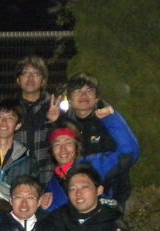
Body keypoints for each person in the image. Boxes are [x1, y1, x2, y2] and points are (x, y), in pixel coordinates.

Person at [54, 73, 139, 208]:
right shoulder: (63, 124)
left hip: (111, 195)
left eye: (89, 90)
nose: (84, 95)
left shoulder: (109, 120)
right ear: (69, 97)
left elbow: (129, 153)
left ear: (97, 97)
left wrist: (111, 118)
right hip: (74, 196)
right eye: (78, 91)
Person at [43, 106, 140, 213]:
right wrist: (43, 207)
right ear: (51, 149)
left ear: (76, 146)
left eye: (68, 143)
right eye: (57, 144)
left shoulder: (94, 165)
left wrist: (111, 119)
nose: (63, 149)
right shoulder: (52, 183)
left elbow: (128, 154)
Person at [12, 55, 60, 187]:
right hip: (17, 176)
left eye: (36, 74)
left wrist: (55, 122)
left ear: (43, 81)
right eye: (25, 73)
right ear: (18, 80)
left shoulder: (53, 107)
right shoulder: (10, 109)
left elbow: (64, 142)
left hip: (49, 177)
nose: (30, 78)